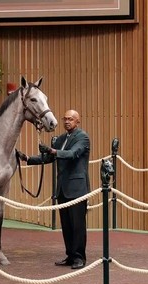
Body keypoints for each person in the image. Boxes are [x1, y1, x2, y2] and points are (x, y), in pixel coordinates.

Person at [16, 109, 90, 270]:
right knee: (66, 225)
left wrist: (53, 151)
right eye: (65, 119)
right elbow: (48, 158)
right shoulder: (61, 139)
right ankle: (70, 255)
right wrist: (27, 158)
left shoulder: (82, 138)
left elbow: (72, 154)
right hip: (62, 189)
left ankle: (79, 258)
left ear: (78, 121)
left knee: (77, 225)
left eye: (71, 119)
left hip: (77, 189)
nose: (67, 121)